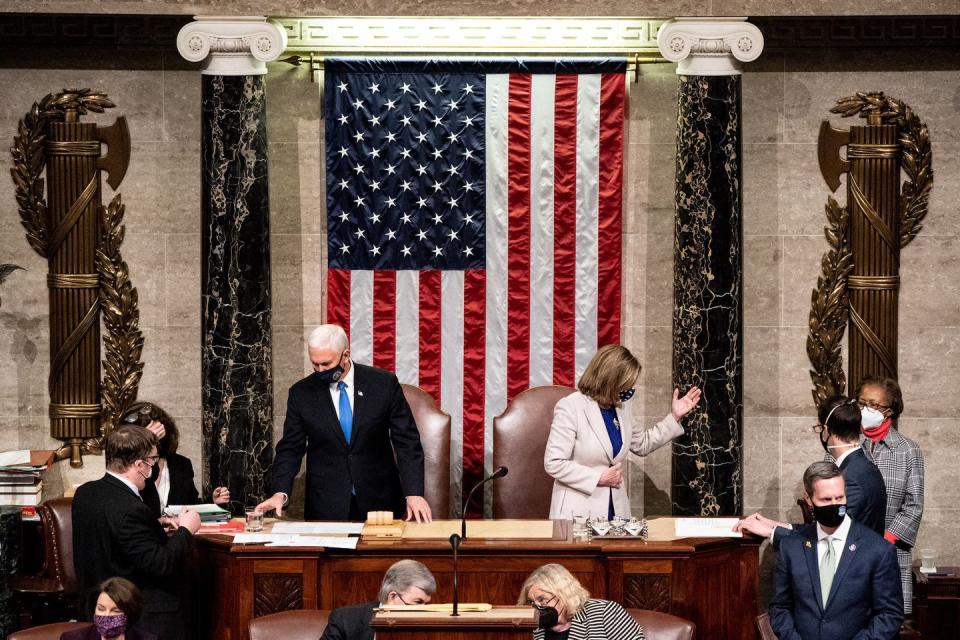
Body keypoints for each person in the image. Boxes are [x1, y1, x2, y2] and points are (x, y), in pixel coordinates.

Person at [257, 324, 431, 522]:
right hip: (327, 505)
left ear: (345, 355)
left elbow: (407, 442)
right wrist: (280, 492)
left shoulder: (383, 385)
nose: (319, 370)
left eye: (326, 364)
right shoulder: (301, 394)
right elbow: (290, 448)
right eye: (315, 364)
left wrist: (414, 493)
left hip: (380, 500)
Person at [72, 426, 201, 639]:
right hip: (137, 614)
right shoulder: (131, 508)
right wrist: (187, 529)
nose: (152, 469)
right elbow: (160, 563)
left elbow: (112, 535)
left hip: (95, 605)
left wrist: (154, 524)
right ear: (140, 465)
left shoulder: (85, 493)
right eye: (152, 462)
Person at [544, 344, 701, 519]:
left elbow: (642, 444)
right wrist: (598, 478)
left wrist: (674, 417)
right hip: (578, 512)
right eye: (625, 383)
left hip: (616, 510)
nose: (629, 388)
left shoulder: (621, 407)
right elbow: (554, 462)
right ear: (610, 380)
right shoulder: (571, 406)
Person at [768, 461, 903, 640]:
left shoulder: (878, 550)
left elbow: (889, 614)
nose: (834, 505)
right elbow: (780, 607)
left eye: (839, 498)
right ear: (808, 500)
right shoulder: (790, 547)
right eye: (825, 499)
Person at [736, 396, 887, 541]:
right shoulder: (860, 467)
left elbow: (833, 534)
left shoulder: (853, 476)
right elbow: (824, 528)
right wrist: (773, 524)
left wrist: (771, 532)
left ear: (826, 430)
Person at [856, 376, 924, 615]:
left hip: (891, 553)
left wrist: (885, 540)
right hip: (850, 552)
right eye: (861, 403)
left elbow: (913, 505)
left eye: (873, 405)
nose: (866, 410)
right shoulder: (847, 442)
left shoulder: (908, 450)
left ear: (890, 410)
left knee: (887, 622)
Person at [120, 401, 230, 517]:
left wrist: (213, 502)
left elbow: (190, 506)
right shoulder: (126, 467)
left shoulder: (181, 464)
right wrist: (146, 443)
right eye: (145, 437)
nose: (153, 439)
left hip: (178, 533)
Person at [517, 563, 645, 639]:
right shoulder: (535, 629)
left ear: (563, 593)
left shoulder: (605, 612)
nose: (537, 608)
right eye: (532, 602)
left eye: (542, 599)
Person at [320, 560, 436, 640]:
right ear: (393, 597)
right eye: (418, 602)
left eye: (426, 604)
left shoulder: (430, 628)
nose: (423, 611)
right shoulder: (344, 620)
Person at [60, 577, 157, 640]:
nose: (106, 615)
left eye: (116, 611)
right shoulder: (72, 638)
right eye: (101, 609)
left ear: (130, 613)